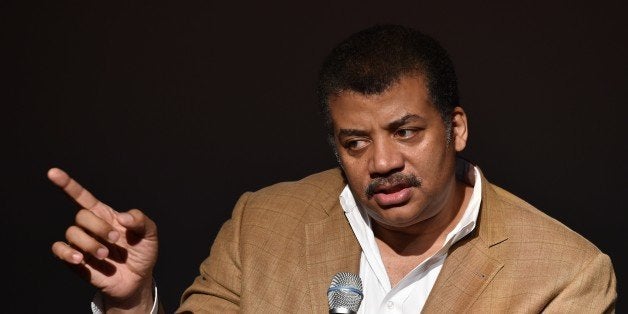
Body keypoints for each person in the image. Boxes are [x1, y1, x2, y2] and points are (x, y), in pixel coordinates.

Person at [49, 24, 617, 313]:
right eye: (355, 142)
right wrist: (131, 303)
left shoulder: (564, 275)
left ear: (456, 128)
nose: (384, 163)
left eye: (406, 131)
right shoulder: (261, 225)